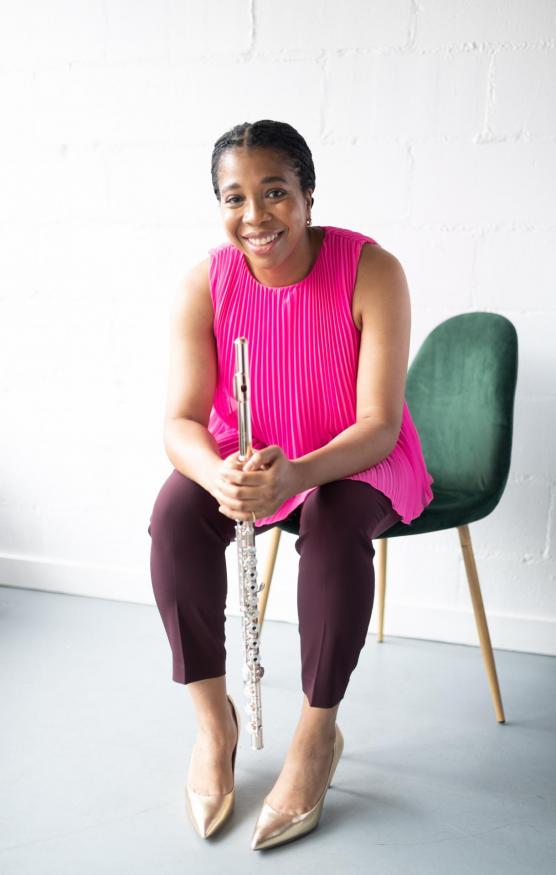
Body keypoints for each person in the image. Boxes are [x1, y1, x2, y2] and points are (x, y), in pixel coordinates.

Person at [147, 119, 434, 849]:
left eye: (274, 192)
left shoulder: (374, 270)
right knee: (177, 512)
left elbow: (378, 421)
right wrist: (219, 475)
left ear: (308, 194)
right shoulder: (201, 284)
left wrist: (300, 473)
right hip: (247, 460)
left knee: (335, 526)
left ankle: (316, 734)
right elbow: (180, 420)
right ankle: (216, 726)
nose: (255, 217)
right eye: (234, 197)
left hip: (354, 456)